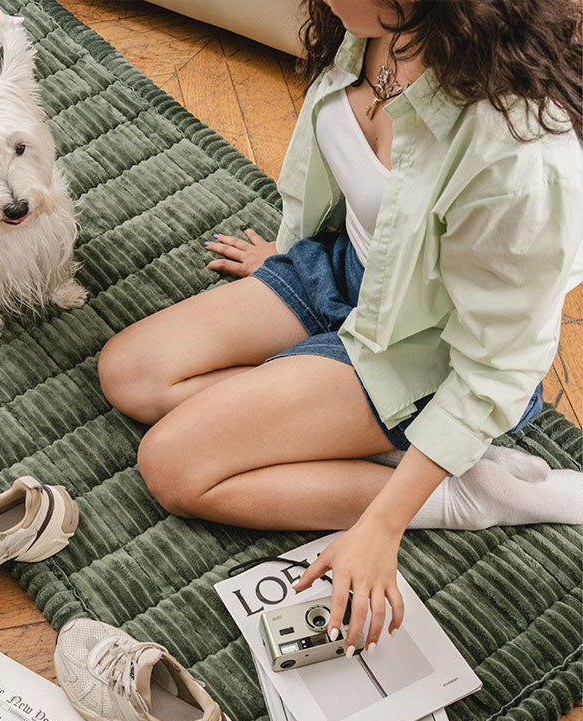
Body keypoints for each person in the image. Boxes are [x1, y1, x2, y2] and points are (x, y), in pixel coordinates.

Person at [97, 0, 583, 657]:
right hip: (346, 269)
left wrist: (382, 527)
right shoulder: (371, 26)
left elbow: (498, 367)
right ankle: (362, 441)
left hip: (427, 353)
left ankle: (466, 494)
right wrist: (288, 253)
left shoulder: (523, 158)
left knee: (175, 466)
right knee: (132, 373)